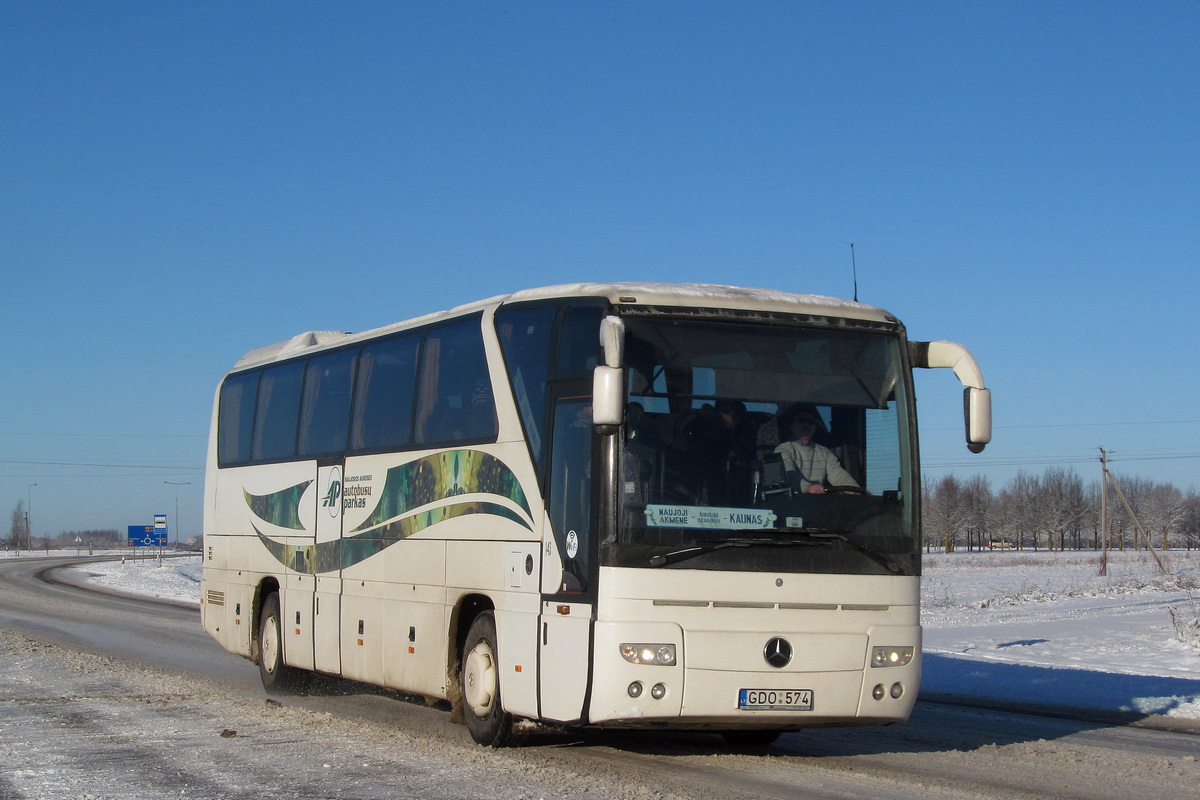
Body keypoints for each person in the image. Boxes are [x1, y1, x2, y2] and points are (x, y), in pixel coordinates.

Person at [773, 404, 859, 494]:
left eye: (810, 422)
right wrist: (808, 488)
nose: (806, 424)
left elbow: (839, 476)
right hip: (791, 504)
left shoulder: (825, 453)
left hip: (817, 504)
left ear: (814, 428)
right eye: (801, 421)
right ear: (792, 426)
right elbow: (788, 475)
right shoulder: (783, 449)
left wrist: (858, 492)